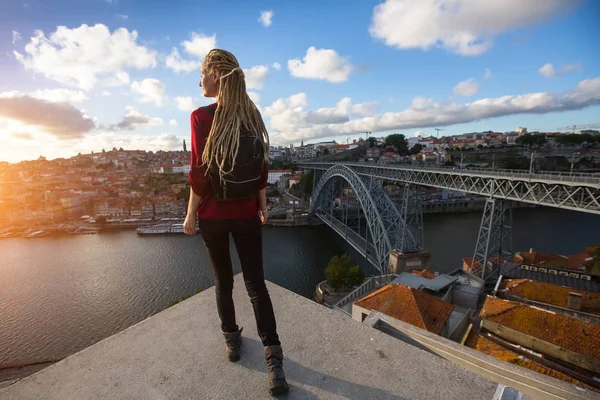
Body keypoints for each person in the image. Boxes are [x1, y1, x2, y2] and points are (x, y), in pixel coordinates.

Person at [183, 48, 289, 396]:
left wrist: (189, 216)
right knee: (257, 286)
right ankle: (274, 361)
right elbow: (262, 168)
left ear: (216, 74)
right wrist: (262, 206)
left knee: (223, 282)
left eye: (202, 74)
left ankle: (232, 341)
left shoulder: (200, 117)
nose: (199, 81)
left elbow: (200, 174)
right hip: (246, 214)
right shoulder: (251, 115)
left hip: (213, 216)